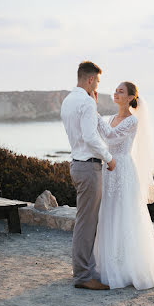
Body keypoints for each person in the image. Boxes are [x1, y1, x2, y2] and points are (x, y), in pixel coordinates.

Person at [92, 82, 154, 290]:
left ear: (130, 98)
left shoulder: (132, 121)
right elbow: (104, 138)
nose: (115, 93)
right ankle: (109, 266)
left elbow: (110, 136)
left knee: (126, 214)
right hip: (109, 168)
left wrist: (95, 113)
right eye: (116, 90)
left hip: (124, 169)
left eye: (121, 91)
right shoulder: (111, 119)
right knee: (109, 213)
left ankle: (129, 268)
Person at [61, 61, 116, 290]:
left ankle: (84, 270)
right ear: (91, 79)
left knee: (85, 221)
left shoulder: (68, 100)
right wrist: (109, 157)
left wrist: (93, 108)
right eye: (98, 81)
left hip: (77, 164)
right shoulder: (84, 101)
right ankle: (83, 276)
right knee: (87, 223)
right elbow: (91, 137)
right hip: (88, 167)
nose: (98, 86)